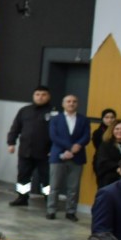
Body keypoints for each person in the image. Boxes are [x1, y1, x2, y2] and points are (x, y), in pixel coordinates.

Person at [44, 93, 90, 222]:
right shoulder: (55, 119)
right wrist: (70, 147)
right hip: (58, 156)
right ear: (63, 104)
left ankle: (71, 211)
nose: (71, 103)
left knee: (73, 187)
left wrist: (78, 146)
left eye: (74, 101)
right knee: (54, 186)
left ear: (77, 104)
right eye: (68, 101)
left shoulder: (83, 120)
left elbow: (86, 136)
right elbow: (54, 136)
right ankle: (51, 210)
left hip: (77, 156)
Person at [6, 85, 53, 208]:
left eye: (43, 95)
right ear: (33, 96)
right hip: (26, 151)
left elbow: (57, 133)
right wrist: (11, 143)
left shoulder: (53, 112)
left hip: (45, 152)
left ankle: (48, 199)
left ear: (48, 96)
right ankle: (22, 198)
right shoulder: (24, 110)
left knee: (46, 178)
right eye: (37, 94)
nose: (40, 97)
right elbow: (15, 128)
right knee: (23, 176)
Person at [93, 119, 121, 191]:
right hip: (109, 179)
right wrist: (118, 169)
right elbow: (103, 162)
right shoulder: (105, 145)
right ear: (112, 130)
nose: (120, 131)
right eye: (117, 129)